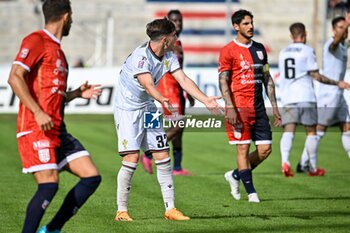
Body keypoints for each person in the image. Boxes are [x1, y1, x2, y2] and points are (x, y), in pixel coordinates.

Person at [114, 18, 222, 221]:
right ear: (165, 39)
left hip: (149, 108)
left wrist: (205, 99)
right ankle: (121, 211)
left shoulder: (169, 55)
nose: (176, 39)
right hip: (128, 111)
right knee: (131, 158)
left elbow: (183, 79)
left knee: (163, 155)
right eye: (173, 36)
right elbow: (148, 84)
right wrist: (162, 98)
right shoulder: (140, 57)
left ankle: (170, 209)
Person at [7, 1, 102, 232]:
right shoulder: (36, 40)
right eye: (72, 16)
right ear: (66, 16)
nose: (72, 20)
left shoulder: (57, 50)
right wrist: (38, 112)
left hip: (57, 129)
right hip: (35, 128)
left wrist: (77, 94)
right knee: (49, 186)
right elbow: (15, 77)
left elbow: (52, 95)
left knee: (91, 177)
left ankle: (52, 229)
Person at [219, 9, 281, 203]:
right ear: (236, 26)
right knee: (243, 149)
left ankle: (236, 175)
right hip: (239, 109)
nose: (251, 26)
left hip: (259, 108)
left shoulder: (260, 49)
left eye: (251, 22)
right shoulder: (228, 50)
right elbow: (223, 80)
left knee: (265, 150)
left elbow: (267, 78)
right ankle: (252, 193)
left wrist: (275, 107)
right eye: (246, 23)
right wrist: (229, 107)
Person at [279, 22, 349, 177]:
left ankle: (285, 161)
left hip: (288, 97)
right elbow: (316, 75)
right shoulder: (308, 50)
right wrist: (337, 82)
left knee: (289, 131)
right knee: (312, 132)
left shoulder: (283, 52)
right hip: (306, 96)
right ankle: (312, 167)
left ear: (291, 36)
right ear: (305, 35)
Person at [141, 9, 195, 176]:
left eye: (180, 20)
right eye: (174, 21)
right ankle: (150, 153)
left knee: (179, 129)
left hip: (178, 89)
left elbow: (179, 70)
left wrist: (188, 92)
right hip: (169, 88)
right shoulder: (168, 44)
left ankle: (177, 167)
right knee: (178, 125)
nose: (178, 23)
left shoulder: (177, 42)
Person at [298, 14, 350, 172]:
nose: (344, 30)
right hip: (328, 94)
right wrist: (347, 23)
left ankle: (303, 163)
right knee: (319, 130)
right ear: (334, 30)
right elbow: (336, 41)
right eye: (340, 28)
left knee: (347, 128)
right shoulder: (331, 45)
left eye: (345, 27)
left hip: (339, 95)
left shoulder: (342, 46)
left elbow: (344, 42)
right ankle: (303, 163)